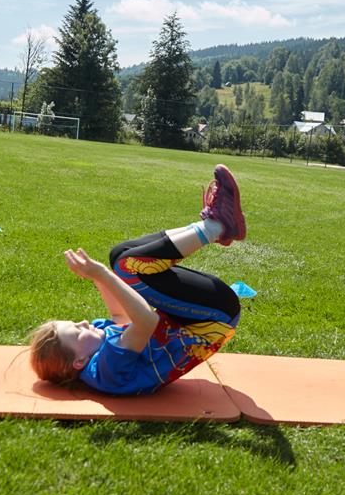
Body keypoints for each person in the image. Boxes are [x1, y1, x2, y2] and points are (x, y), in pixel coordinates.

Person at [29, 165, 247, 395]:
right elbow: (146, 321)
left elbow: (120, 317)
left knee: (119, 256)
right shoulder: (107, 371)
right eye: (76, 332)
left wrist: (98, 278)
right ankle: (217, 226)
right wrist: (102, 274)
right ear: (79, 361)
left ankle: (215, 224)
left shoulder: (95, 343)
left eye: (75, 323)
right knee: (128, 267)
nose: (83, 322)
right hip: (214, 317)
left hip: (192, 316)